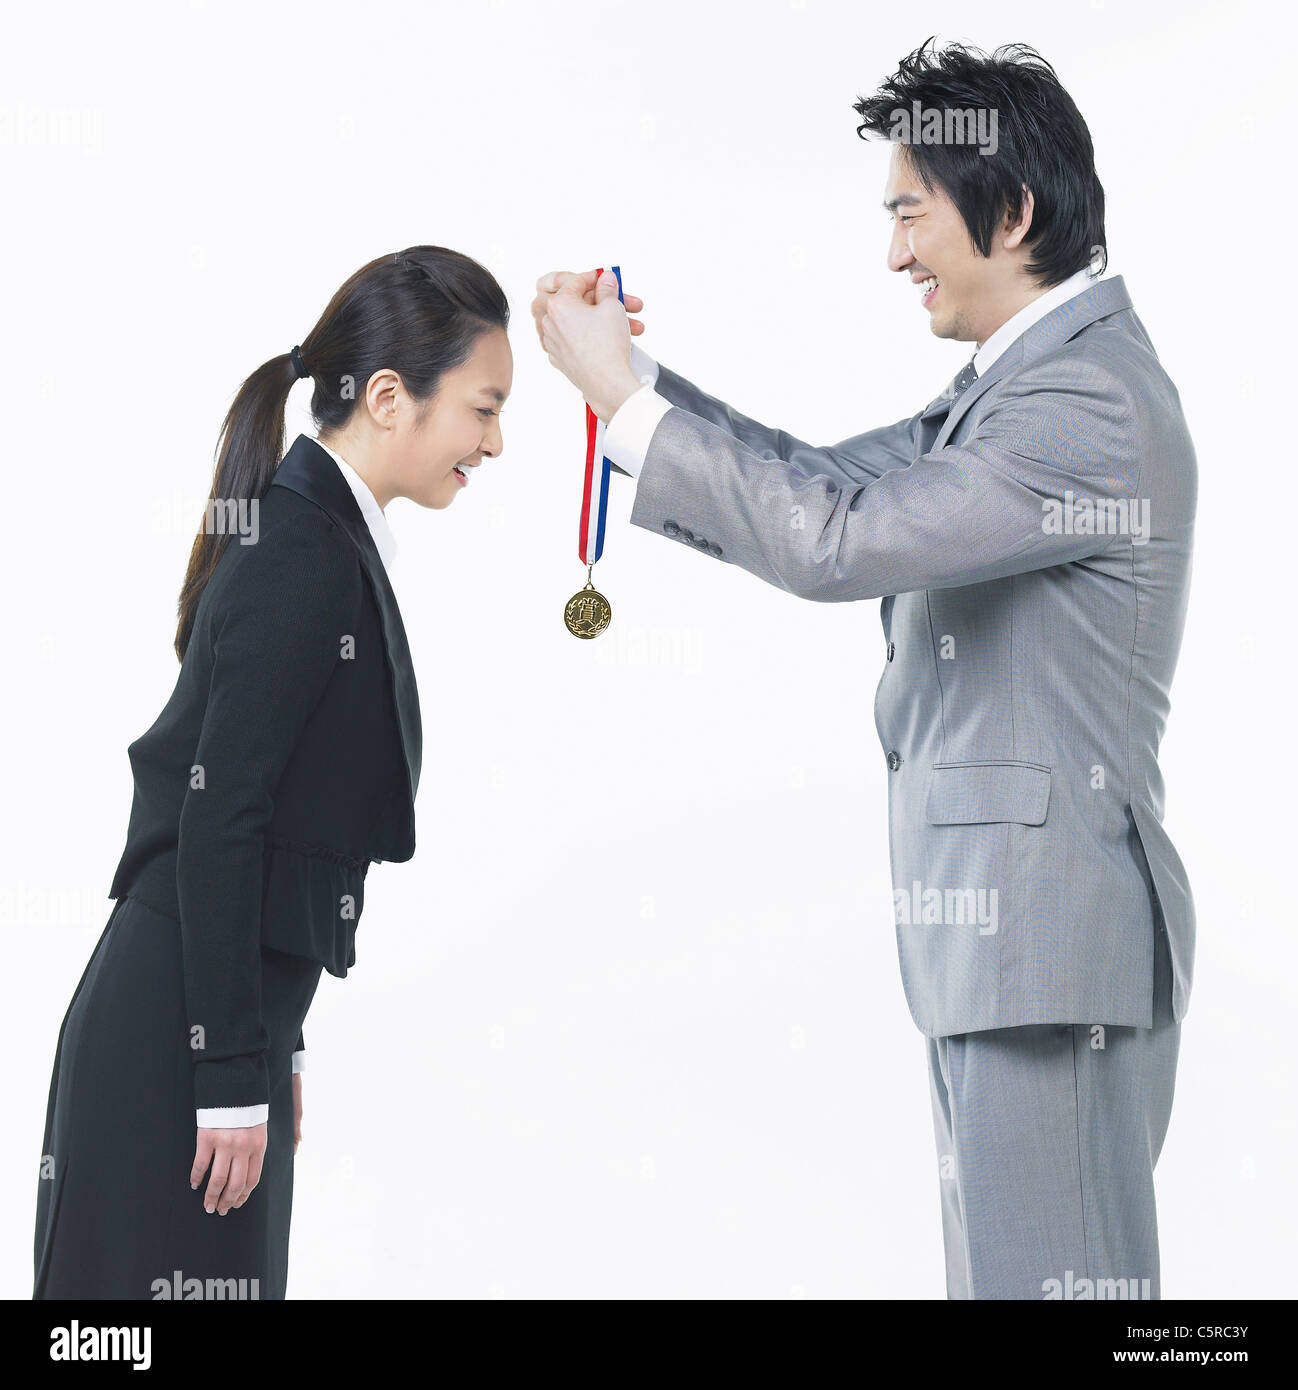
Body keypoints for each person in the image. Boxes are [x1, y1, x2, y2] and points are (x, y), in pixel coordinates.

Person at [532, 39, 1196, 1300]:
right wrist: (635, 382)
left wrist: (623, 405)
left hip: (1042, 951)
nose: (893, 254)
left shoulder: (1084, 404)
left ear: (1007, 212)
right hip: (1011, 950)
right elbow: (828, 480)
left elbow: (832, 544)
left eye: (908, 213)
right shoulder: (1021, 387)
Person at [33, 245, 529, 1299]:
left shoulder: (320, 531)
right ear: (389, 398)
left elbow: (288, 822)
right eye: (483, 409)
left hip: (216, 1021)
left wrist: (274, 1040)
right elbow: (221, 822)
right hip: (173, 1037)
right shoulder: (300, 548)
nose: (495, 442)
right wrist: (224, 1069)